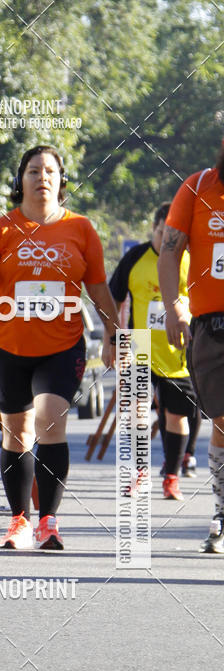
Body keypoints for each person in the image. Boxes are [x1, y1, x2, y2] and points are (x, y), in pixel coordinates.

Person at [0, 145, 118, 550]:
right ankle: (19, 521)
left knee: (51, 418)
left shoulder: (81, 229)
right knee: (16, 433)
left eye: (51, 171)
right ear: (20, 180)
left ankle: (49, 522)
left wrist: (113, 335)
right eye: (34, 171)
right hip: (9, 347)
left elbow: (97, 289)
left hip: (62, 347)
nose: (43, 178)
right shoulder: (0, 229)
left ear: (61, 181)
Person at [158, 139, 224, 552]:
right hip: (211, 327)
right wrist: (172, 306)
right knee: (223, 422)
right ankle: (222, 511)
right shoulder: (198, 187)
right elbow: (169, 252)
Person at [110, 202, 198, 501]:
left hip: (178, 348)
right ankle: (140, 474)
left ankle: (171, 477)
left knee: (176, 416)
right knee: (136, 411)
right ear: (154, 229)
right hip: (140, 345)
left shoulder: (192, 259)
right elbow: (114, 298)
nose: (166, 240)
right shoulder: (135, 258)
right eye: (162, 233)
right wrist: (117, 340)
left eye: (173, 234)